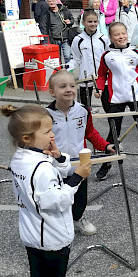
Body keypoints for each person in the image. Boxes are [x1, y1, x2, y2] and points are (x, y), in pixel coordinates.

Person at [2, 103, 91, 277]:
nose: (52, 135)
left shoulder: (22, 158)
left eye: (52, 130)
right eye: (47, 132)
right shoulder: (39, 167)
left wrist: (59, 156)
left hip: (31, 233)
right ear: (27, 138)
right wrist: (78, 177)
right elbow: (57, 199)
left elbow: (55, 173)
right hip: (52, 235)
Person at [46, 70, 115, 236]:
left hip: (80, 163)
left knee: (80, 198)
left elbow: (90, 133)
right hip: (56, 165)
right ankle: (57, 226)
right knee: (58, 198)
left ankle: (78, 219)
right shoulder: (45, 114)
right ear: (52, 92)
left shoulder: (83, 111)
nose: (69, 89)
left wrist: (106, 146)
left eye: (72, 85)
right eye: (62, 86)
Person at [94, 22, 138, 180]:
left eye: (123, 33)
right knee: (114, 133)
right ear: (111, 37)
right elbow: (101, 76)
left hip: (135, 97)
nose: (121, 37)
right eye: (117, 34)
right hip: (115, 98)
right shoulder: (107, 56)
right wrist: (99, 89)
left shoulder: (135, 53)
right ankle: (106, 163)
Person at [69, 9, 110, 108]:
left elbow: (109, 57)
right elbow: (76, 59)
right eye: (89, 21)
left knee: (109, 107)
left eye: (95, 21)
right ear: (83, 23)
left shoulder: (103, 38)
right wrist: (66, 67)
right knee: (85, 109)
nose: (93, 24)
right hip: (85, 79)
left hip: (103, 79)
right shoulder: (78, 40)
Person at [38, 0, 76, 64]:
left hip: (65, 38)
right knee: (57, 58)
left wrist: (70, 21)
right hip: (54, 39)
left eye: (53, 1)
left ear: (56, 1)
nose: (52, 3)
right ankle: (60, 72)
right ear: (47, 3)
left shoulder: (63, 10)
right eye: (49, 1)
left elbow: (72, 19)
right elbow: (43, 27)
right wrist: (46, 40)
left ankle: (69, 72)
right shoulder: (45, 13)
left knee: (68, 56)